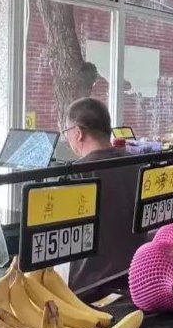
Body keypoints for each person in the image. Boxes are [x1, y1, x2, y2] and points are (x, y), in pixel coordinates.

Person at [61, 97, 148, 292]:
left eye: (67, 132)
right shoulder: (138, 163)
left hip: (90, 286)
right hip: (137, 276)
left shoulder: (77, 174)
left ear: (78, 133)